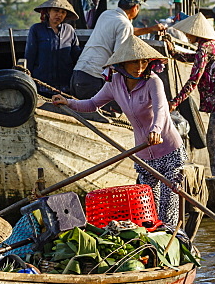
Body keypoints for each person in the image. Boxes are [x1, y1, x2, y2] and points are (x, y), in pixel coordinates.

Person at [52, 39, 186, 230]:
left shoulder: (153, 81)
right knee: (148, 210)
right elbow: (92, 104)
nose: (140, 67)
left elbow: (161, 111)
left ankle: (173, 241)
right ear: (122, 64)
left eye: (144, 62)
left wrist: (155, 131)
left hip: (168, 150)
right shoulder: (114, 83)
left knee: (167, 208)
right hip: (143, 154)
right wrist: (68, 102)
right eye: (134, 62)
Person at [167, 12, 215, 176]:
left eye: (189, 33)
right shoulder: (211, 44)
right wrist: (174, 53)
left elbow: (193, 80)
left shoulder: (205, 47)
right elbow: (194, 58)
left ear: (197, 32)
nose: (187, 36)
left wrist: (175, 101)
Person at [70, 0, 167, 99]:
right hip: (94, 78)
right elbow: (120, 57)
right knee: (92, 114)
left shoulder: (106, 15)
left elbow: (126, 30)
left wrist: (151, 29)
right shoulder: (124, 24)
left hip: (78, 73)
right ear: (136, 7)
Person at [24, 0, 81, 94]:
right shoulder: (36, 29)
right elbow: (30, 56)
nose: (59, 14)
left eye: (63, 12)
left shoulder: (69, 30)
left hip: (65, 85)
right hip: (41, 85)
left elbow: (76, 56)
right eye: (56, 10)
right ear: (48, 12)